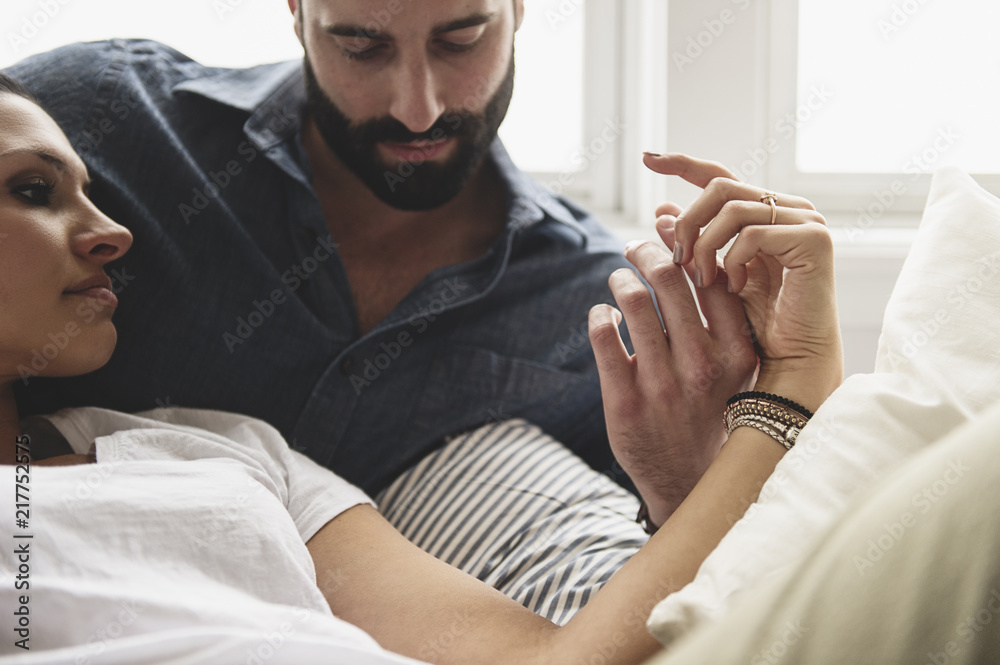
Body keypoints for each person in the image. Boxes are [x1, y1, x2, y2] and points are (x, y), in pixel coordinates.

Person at [0, 71, 848, 664]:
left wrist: (796, 378)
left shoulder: (229, 451)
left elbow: (561, 658)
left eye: (88, 187)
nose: (115, 229)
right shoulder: (115, 95)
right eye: (34, 190)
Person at [4, 0, 735, 508]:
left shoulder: (600, 309)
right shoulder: (101, 115)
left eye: (461, 40)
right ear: (297, 14)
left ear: (517, 10)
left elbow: (674, 586)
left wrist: (791, 372)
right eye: (361, 46)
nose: (417, 108)